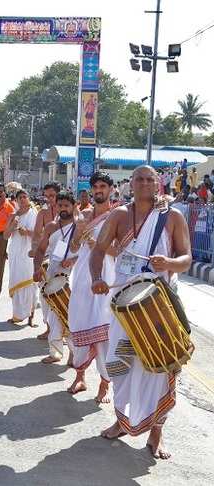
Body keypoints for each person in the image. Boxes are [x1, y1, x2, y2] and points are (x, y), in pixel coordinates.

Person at [90, 165, 192, 459]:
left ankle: (156, 432)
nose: (145, 183)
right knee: (119, 365)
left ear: (158, 183)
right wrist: (97, 277)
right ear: (130, 184)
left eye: (151, 179)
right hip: (123, 301)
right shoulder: (119, 215)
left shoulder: (172, 216)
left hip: (159, 304)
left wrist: (169, 264)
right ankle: (122, 421)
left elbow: (186, 258)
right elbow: (98, 250)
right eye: (140, 179)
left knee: (159, 365)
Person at [66, 171, 116, 402]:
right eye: (95, 186)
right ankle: (80, 375)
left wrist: (99, 244)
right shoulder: (84, 216)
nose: (99, 190)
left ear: (111, 190)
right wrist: (79, 234)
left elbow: (122, 252)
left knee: (104, 330)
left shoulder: (119, 217)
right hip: (82, 279)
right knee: (78, 323)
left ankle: (105, 384)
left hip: (106, 280)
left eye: (103, 186)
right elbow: (74, 247)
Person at [33, 191, 77, 364]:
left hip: (72, 274)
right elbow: (41, 250)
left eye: (67, 205)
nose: (63, 208)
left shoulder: (80, 226)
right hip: (52, 273)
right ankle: (56, 352)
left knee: (70, 314)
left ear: (73, 206)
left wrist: (73, 259)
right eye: (60, 205)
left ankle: (74, 355)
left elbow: (88, 253)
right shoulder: (51, 227)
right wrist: (37, 268)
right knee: (53, 314)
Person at [29, 181, 61, 339]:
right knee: (45, 294)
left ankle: (63, 330)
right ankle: (49, 328)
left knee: (62, 294)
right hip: (46, 256)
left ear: (58, 195)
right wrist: (35, 249)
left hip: (64, 259)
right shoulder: (42, 213)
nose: (49, 199)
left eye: (52, 196)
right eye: (47, 196)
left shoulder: (68, 210)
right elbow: (36, 235)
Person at [4, 190, 38, 326]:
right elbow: (6, 235)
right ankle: (17, 315)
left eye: (25, 197)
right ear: (16, 200)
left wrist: (27, 232)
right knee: (16, 281)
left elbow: (40, 234)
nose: (23, 200)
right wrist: (14, 222)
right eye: (20, 198)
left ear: (28, 199)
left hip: (29, 253)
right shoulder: (13, 215)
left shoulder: (35, 214)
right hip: (16, 252)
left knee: (30, 283)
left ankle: (31, 316)